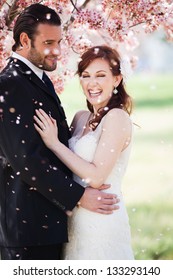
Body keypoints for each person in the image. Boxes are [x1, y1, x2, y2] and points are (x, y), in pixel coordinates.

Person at [0, 4, 119, 260]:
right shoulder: (10, 84)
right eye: (49, 42)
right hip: (28, 231)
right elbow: (24, 159)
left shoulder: (37, 78)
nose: (57, 51)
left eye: (60, 42)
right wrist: (78, 196)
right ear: (24, 40)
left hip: (48, 227)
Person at [34, 45, 134, 259]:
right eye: (86, 76)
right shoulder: (80, 118)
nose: (92, 83)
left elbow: (96, 177)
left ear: (117, 79)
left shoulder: (117, 118)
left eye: (100, 75)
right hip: (75, 218)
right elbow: (66, 166)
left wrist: (54, 143)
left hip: (102, 219)